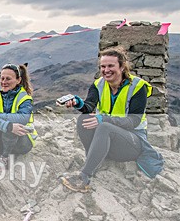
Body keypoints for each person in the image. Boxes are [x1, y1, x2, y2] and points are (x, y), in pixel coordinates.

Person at [59, 46, 163, 192]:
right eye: (103, 66)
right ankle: (94, 160)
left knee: (104, 126)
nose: (106, 70)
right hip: (108, 140)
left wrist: (104, 119)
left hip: (132, 143)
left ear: (122, 67)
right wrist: (78, 103)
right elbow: (89, 107)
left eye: (110, 66)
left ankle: (84, 177)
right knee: (83, 119)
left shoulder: (138, 87)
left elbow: (134, 121)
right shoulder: (98, 84)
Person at [0, 63, 36, 172]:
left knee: (13, 128)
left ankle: (5, 158)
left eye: (8, 79)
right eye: (2, 78)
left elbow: (23, 118)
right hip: (4, 136)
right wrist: (7, 125)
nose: (4, 82)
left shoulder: (24, 97)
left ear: (18, 80)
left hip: (23, 141)